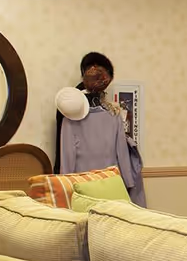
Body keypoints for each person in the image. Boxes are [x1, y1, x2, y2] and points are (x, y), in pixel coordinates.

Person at [55, 52, 146, 206]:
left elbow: (67, 158)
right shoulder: (111, 114)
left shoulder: (71, 117)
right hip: (110, 184)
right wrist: (127, 181)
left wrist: (67, 186)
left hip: (81, 185)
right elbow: (122, 154)